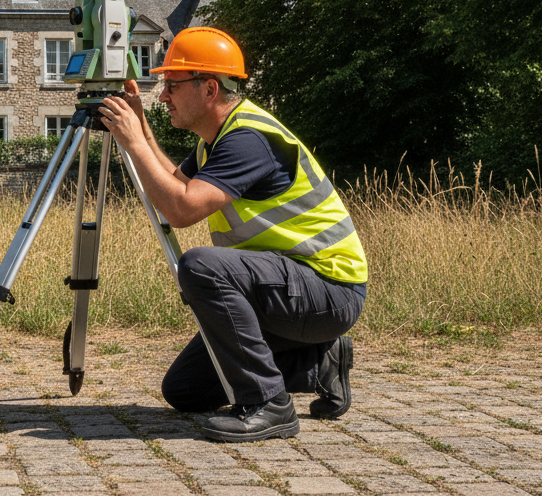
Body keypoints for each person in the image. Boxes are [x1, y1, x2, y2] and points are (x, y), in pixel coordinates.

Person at [98, 26, 367, 442]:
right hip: (286, 289)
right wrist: (141, 127)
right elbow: (173, 183)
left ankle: (270, 405)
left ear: (208, 89)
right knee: (185, 390)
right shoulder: (217, 139)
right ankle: (320, 361)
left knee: (202, 265)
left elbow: (182, 209)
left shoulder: (248, 140)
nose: (163, 95)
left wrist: (132, 143)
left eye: (172, 85)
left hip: (328, 289)